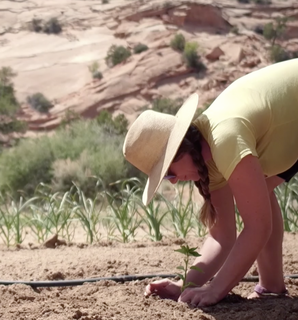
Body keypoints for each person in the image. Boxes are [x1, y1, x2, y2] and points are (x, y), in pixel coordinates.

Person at [122, 58, 298, 307]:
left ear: (181, 150)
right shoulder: (209, 160)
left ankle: (271, 286)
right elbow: (221, 237)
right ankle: (271, 287)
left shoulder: (224, 139)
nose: (173, 182)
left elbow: (258, 227)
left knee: (258, 204)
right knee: (260, 190)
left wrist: (215, 289)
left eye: (168, 172)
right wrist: (185, 284)